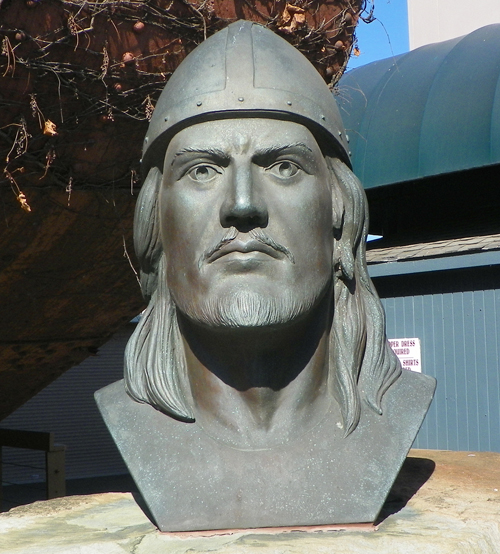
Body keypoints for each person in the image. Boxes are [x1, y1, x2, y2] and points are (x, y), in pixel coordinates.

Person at [96, 20, 435, 531]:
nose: (243, 205)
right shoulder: (120, 413)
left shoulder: (403, 407)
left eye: (282, 167)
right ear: (156, 226)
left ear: (339, 218)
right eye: (203, 170)